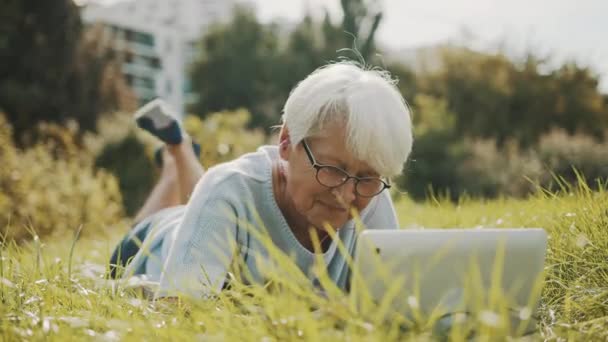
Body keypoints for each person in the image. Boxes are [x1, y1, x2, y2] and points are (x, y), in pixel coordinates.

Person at [108, 61, 413, 299]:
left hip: (212, 203)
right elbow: (179, 307)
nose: (347, 195)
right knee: (189, 204)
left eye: (367, 177)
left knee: (205, 195)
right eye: (332, 169)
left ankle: (178, 156)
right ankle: (178, 153)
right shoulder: (228, 188)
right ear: (286, 142)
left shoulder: (371, 200)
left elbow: (389, 306)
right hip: (153, 240)